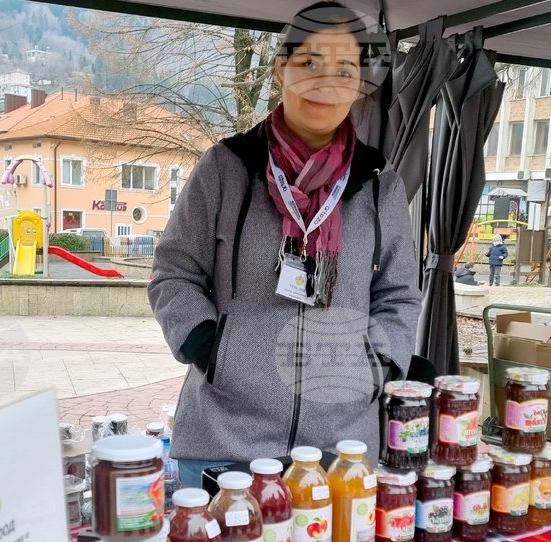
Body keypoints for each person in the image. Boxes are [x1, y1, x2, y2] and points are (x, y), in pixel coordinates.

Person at [148, 2, 421, 489]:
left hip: (342, 450)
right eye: (311, 63)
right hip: (224, 440)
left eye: (344, 69)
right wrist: (213, 351)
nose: (326, 83)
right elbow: (174, 272)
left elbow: (399, 294)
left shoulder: (381, 186)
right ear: (281, 69)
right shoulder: (226, 168)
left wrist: (374, 367)